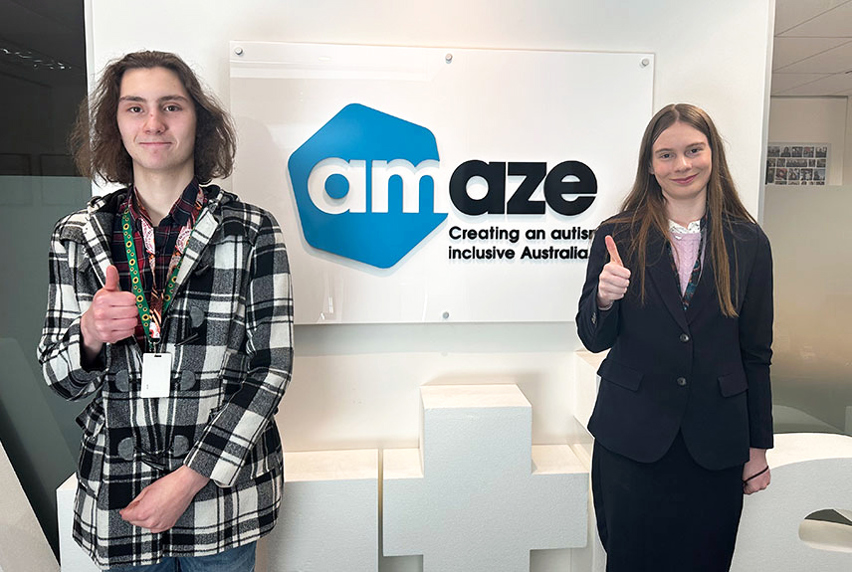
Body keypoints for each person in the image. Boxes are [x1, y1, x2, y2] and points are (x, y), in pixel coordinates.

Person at [38, 50, 293, 570]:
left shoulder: (251, 230)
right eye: (135, 108)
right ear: (116, 123)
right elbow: (58, 379)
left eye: (171, 106)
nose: (153, 123)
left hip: (222, 500)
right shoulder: (78, 235)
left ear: (198, 121)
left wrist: (189, 479)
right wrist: (88, 335)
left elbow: (273, 367)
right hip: (120, 495)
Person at [576, 103, 773, 571]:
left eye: (693, 150)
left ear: (713, 154)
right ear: (650, 164)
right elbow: (592, 336)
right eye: (666, 155)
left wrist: (757, 448)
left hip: (716, 441)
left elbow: (756, 353)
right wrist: (604, 298)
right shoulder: (616, 235)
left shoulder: (748, 241)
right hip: (632, 439)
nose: (681, 165)